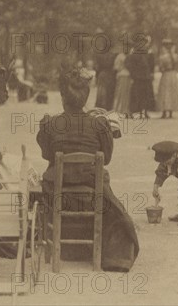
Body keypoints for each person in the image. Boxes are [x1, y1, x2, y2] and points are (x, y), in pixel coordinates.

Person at [36, 64, 139, 272]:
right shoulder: (99, 125)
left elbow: (47, 155)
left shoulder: (50, 124)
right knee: (112, 200)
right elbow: (106, 159)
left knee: (40, 188)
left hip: (59, 193)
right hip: (92, 194)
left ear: (63, 97)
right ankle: (107, 253)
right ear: (86, 98)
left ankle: (57, 242)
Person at [125, 39, 154, 119]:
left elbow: (151, 65)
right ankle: (133, 112)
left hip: (145, 78)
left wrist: (150, 74)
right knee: (136, 95)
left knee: (145, 96)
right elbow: (128, 65)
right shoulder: (133, 55)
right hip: (138, 79)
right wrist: (133, 74)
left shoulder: (147, 55)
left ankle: (144, 112)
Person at [156, 39, 178, 119]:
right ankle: (167, 111)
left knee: (168, 92)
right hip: (169, 74)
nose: (168, 47)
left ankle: (167, 112)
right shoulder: (169, 56)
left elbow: (161, 67)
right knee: (167, 92)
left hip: (169, 74)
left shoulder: (168, 56)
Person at [113, 50, 132, 117]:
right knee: (121, 93)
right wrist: (121, 68)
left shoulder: (129, 55)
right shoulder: (120, 56)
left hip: (127, 75)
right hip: (122, 75)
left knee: (126, 93)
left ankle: (125, 110)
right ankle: (118, 110)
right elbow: (116, 67)